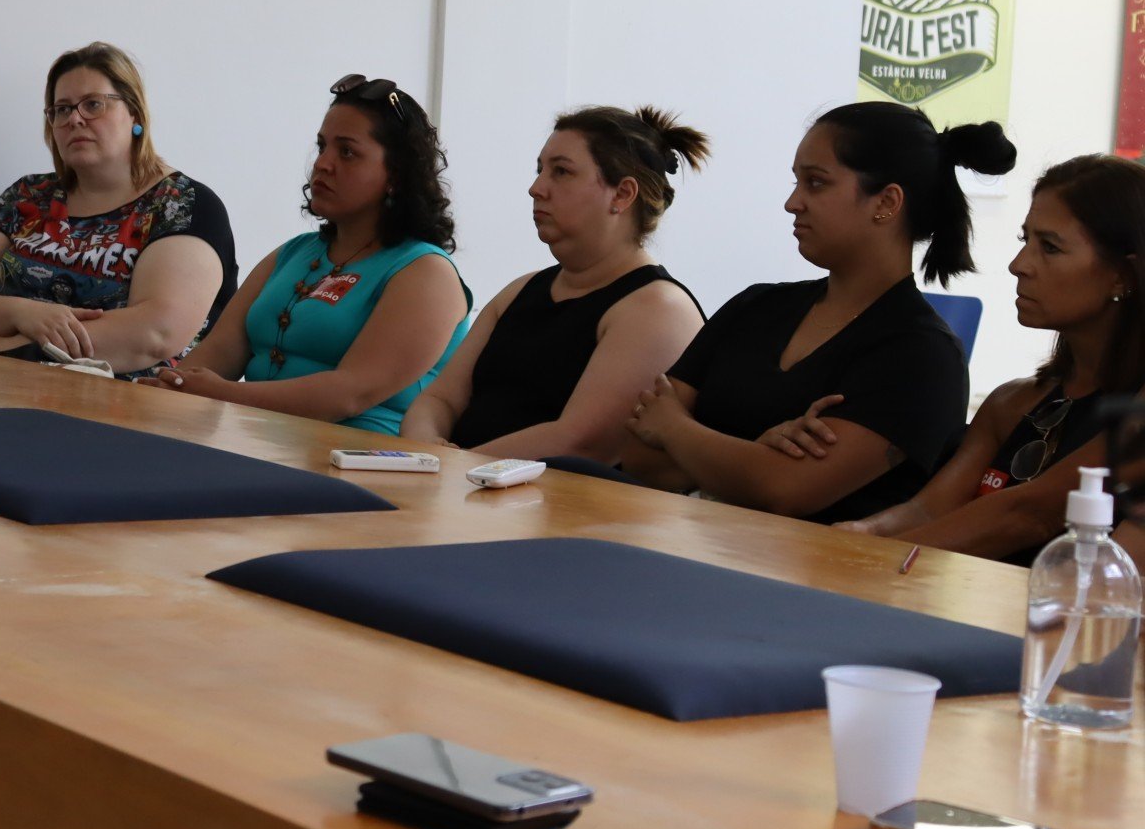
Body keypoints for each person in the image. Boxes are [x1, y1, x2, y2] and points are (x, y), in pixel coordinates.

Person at [620, 102, 1016, 523]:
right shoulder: (755, 305)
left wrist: (675, 429)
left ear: (886, 202)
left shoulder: (922, 354)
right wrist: (755, 454)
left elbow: (787, 490)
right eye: (797, 182)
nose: (793, 203)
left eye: (816, 183)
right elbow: (638, 455)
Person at [805, 156, 1145, 562]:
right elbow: (927, 510)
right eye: (1026, 241)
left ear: (1122, 275)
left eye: (1050, 247)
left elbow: (1028, 513)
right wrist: (856, 535)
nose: (1019, 265)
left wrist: (875, 559)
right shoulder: (1011, 403)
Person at [143, 75, 471, 433]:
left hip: (359, 464)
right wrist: (168, 387)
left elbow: (348, 394)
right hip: (254, 446)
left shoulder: (425, 272)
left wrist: (221, 395)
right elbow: (217, 354)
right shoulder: (293, 253)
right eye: (322, 147)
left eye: (347, 152)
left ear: (395, 175)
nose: (323, 164)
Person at [398, 106, 708, 460]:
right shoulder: (520, 290)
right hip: (462, 486)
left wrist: (454, 469)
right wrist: (425, 449)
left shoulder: (658, 308)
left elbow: (580, 442)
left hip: (555, 507)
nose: (535, 188)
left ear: (622, 194)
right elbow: (440, 399)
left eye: (561, 172)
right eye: (540, 170)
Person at [0, 44, 237, 374]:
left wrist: (8, 350)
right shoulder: (27, 197)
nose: (75, 119)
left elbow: (153, 334)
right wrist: (22, 313)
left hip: (136, 409)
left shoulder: (184, 205)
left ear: (134, 113)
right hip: (0, 391)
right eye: (61, 110)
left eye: (93, 104)